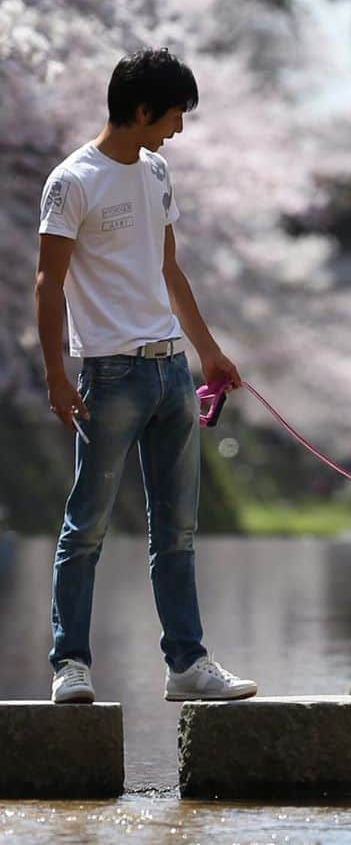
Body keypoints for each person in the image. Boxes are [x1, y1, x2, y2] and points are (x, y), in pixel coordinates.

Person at [35, 48, 257, 705]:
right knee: (88, 527)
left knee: (178, 531)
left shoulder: (156, 172)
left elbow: (169, 269)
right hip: (109, 376)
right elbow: (48, 283)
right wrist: (55, 372)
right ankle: (70, 663)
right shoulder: (72, 180)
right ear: (139, 111)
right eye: (172, 116)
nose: (178, 130)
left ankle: (187, 664)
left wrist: (208, 352)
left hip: (171, 376)